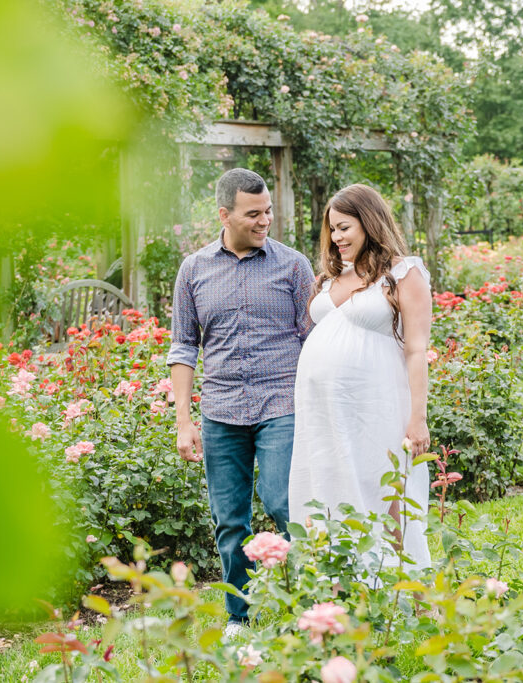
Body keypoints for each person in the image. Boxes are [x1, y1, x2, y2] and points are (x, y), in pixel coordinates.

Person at [167, 168, 315, 636]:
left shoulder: (293, 266)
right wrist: (184, 422)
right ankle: (239, 617)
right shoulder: (193, 269)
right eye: (254, 213)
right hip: (222, 412)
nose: (265, 219)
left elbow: (313, 340)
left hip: (282, 404)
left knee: (283, 501)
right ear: (224, 214)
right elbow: (183, 347)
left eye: (268, 210)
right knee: (229, 522)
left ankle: (310, 605)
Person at [287, 183, 433, 569]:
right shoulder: (333, 278)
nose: (336, 238)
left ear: (368, 222)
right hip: (324, 413)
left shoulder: (403, 273)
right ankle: (339, 590)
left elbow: (416, 349)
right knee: (330, 491)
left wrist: (417, 419)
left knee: (383, 492)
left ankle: (410, 599)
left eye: (344, 227)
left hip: (375, 405)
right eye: (332, 229)